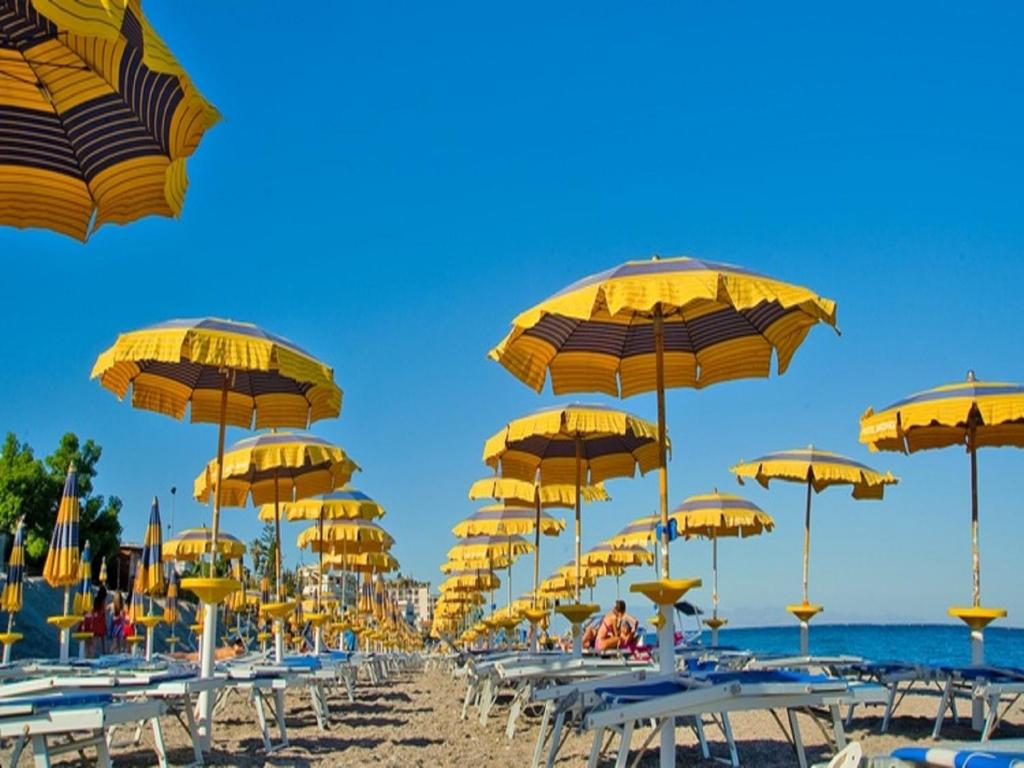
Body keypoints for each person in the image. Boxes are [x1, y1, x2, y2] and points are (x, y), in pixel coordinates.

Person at [86, 586, 108, 657]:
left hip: (95, 621)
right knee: (103, 640)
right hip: (101, 621)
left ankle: (90, 655)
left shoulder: (96, 599)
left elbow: (92, 610)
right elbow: (104, 611)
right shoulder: (103, 601)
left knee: (93, 641)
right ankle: (104, 654)